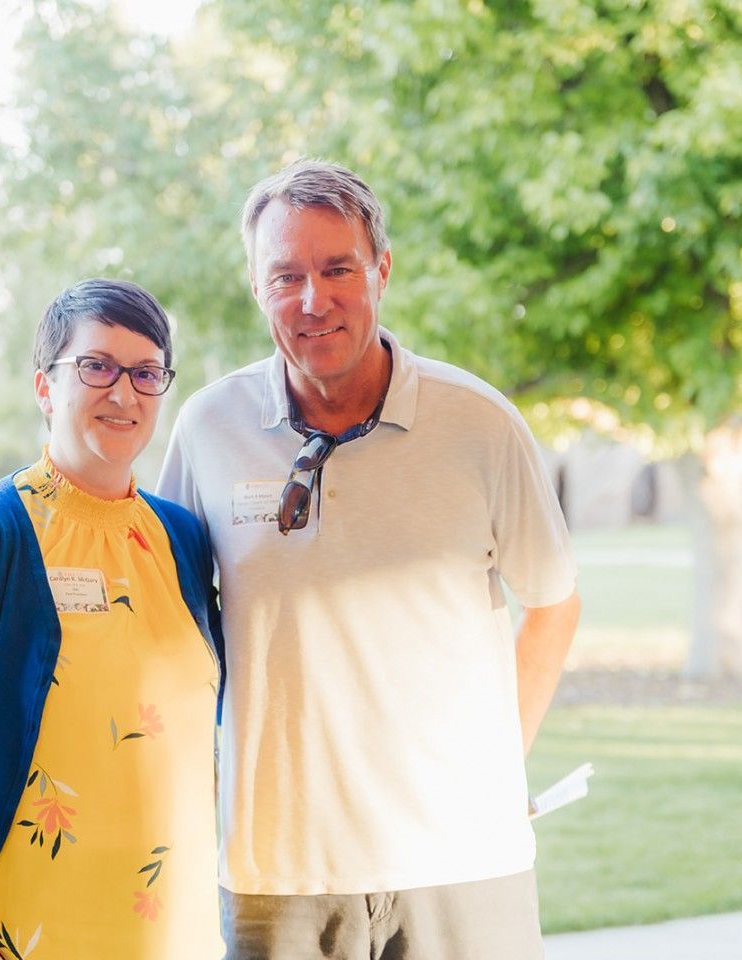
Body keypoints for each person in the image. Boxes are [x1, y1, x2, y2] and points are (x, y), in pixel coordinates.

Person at [158, 159, 582, 959]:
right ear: (256, 288)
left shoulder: (480, 424)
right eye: (285, 276)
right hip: (277, 870)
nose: (312, 300)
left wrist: (495, 763)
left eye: (336, 269)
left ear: (380, 270)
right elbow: (172, 629)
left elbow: (553, 601)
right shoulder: (209, 429)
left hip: (460, 860)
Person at [0, 279, 225, 960]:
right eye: (96, 366)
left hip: (175, 932)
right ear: (44, 386)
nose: (123, 393)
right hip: (21, 934)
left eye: (146, 373)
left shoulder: (181, 539)